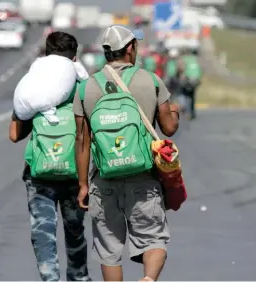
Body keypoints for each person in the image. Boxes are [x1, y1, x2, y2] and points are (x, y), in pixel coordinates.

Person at [73, 25, 180, 282]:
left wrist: (83, 184)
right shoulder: (151, 81)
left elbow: (82, 140)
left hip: (104, 179)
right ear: (130, 48)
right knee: (154, 238)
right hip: (143, 178)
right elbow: (169, 128)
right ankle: (148, 279)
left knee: (109, 251)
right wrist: (174, 111)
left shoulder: (86, 87)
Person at [9, 31, 91, 282]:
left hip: (39, 175)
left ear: (46, 54)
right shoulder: (83, 86)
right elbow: (90, 134)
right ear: (74, 57)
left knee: (43, 233)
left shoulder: (34, 85)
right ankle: (78, 277)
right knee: (74, 231)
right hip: (75, 175)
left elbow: (14, 134)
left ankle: (50, 278)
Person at [180, 48, 202, 119]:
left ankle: (187, 111)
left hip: (188, 80)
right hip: (195, 80)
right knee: (192, 97)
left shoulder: (185, 59)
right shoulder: (197, 60)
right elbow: (200, 71)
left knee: (185, 95)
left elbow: (181, 69)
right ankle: (192, 112)